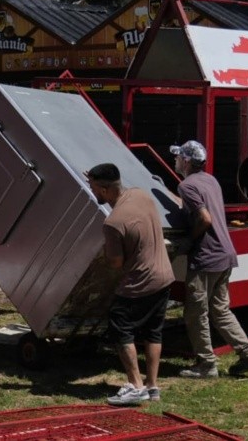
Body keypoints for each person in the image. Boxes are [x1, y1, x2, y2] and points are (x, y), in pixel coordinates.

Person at [171, 140, 248, 377]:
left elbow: (204, 218)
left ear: (186, 161)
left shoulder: (186, 185)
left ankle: (206, 365)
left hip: (206, 256)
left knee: (195, 313)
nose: (175, 160)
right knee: (221, 310)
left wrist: (189, 240)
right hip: (225, 253)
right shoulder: (210, 180)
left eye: (178, 157)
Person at [86, 163, 175, 405]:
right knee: (153, 331)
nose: (91, 190)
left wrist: (107, 250)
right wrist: (94, 177)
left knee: (120, 328)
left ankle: (135, 386)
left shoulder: (113, 223)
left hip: (140, 282)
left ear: (105, 190)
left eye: (93, 187)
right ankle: (152, 386)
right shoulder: (141, 195)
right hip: (164, 275)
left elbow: (115, 263)